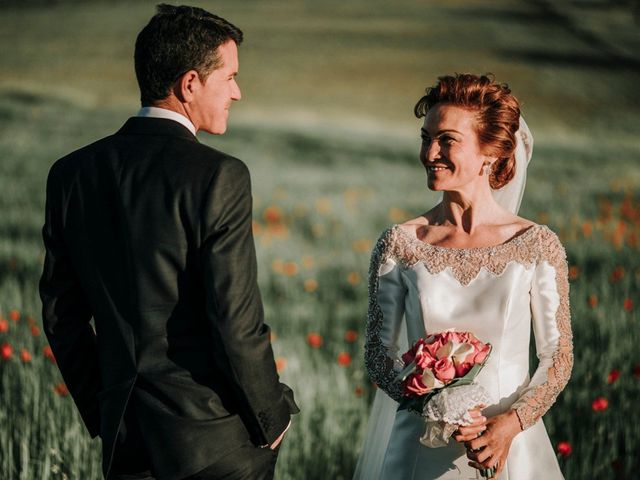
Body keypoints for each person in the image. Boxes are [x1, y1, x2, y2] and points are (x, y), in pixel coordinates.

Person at [39, 5, 298, 480]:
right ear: (191, 83)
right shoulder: (219, 175)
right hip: (218, 443)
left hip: (126, 440)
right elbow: (235, 320)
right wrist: (272, 417)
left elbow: (62, 314)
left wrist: (105, 408)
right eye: (231, 77)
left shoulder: (71, 173)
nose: (238, 93)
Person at [354, 74, 573, 480]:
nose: (430, 152)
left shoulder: (535, 245)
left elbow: (557, 357)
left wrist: (511, 424)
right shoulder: (401, 244)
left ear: (489, 153)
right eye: (426, 137)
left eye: (447, 140)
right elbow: (377, 355)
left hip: (510, 447)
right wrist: (437, 407)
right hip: (420, 446)